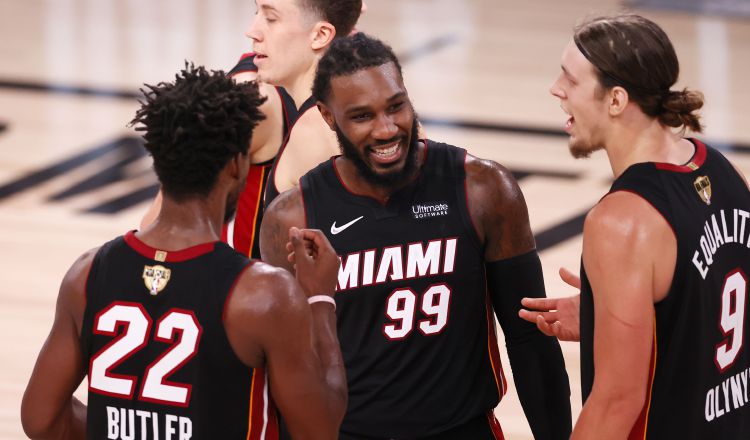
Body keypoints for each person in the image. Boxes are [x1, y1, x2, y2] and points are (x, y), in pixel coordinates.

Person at [260, 33, 571, 440]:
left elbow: (530, 336)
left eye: (396, 107)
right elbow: (283, 372)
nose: (387, 129)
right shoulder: (293, 217)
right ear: (327, 116)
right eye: (362, 116)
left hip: (463, 430)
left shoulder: (482, 188)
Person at [21, 64, 347, 440]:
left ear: (158, 163)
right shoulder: (262, 294)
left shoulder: (87, 273)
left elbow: (41, 420)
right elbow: (319, 430)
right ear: (237, 164)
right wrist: (321, 298)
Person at [522, 14, 750, 439]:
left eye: (570, 80)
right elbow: (708, 303)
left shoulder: (621, 222)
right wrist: (609, 315)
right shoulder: (724, 171)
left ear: (616, 100)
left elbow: (617, 402)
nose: (557, 88)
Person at [141, 0, 365, 258]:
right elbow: (162, 228)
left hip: (250, 291)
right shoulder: (252, 95)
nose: (252, 30)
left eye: (270, 18)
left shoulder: (307, 125)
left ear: (322, 34)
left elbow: (157, 232)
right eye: (256, 12)